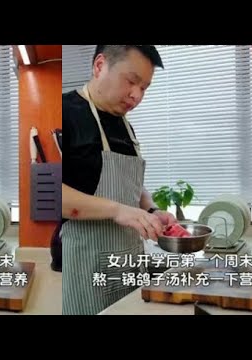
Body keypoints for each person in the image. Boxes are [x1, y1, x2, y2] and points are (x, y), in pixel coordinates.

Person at [62, 45, 178, 315]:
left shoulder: (124, 123)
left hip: (126, 264)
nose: (136, 95)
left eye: (145, 88)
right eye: (131, 81)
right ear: (100, 66)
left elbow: (131, 182)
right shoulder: (66, 114)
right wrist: (117, 211)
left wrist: (151, 209)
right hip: (83, 267)